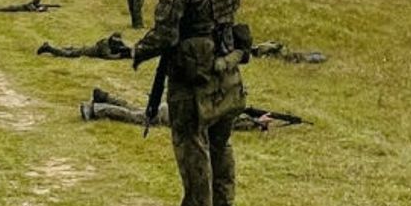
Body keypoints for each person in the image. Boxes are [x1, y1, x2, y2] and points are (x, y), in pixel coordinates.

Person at [131, 0, 246, 206]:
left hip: (191, 71)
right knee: (221, 139)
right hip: (226, 62)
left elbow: (165, 35)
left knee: (189, 136)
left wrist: (138, 51)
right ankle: (223, 204)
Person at [78, 87, 305, 132]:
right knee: (136, 117)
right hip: (177, 115)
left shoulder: (219, 99)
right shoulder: (226, 112)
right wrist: (258, 124)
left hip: (177, 107)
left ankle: (106, 97)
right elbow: (234, 123)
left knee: (141, 110)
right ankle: (97, 109)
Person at [36, 32, 132, 60]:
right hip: (84, 52)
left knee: (66, 50)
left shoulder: (114, 43)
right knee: (66, 54)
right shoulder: (105, 44)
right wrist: (120, 56)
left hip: (84, 49)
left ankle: (49, 47)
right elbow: (107, 56)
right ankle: (48, 48)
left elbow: (122, 47)